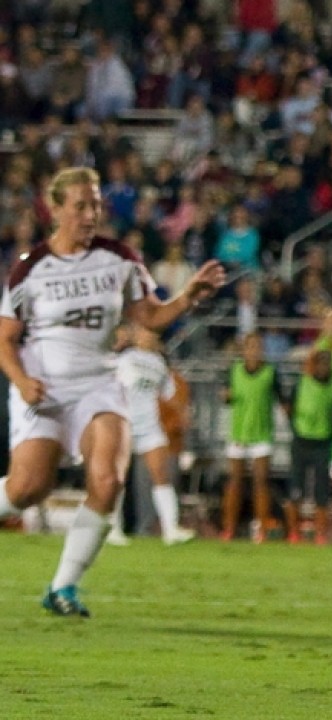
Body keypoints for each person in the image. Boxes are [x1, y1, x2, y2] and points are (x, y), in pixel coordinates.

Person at [0, 166, 223, 616]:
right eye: (81, 205)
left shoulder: (119, 258)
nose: (91, 214)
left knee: (108, 480)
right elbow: (4, 337)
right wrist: (22, 381)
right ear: (55, 209)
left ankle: (63, 588)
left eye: (96, 204)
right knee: (27, 489)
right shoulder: (31, 268)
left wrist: (187, 297)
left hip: (99, 383)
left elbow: (151, 317)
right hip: (44, 388)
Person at [114, 323, 196, 546]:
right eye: (144, 332)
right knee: (118, 477)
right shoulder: (125, 359)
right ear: (136, 335)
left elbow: (169, 393)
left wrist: (182, 412)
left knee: (161, 474)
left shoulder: (159, 363)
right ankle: (114, 528)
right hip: (125, 423)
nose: (148, 337)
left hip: (150, 425)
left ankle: (170, 529)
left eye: (152, 333)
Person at [221, 332, 282, 543]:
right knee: (235, 481)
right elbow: (226, 397)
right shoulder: (234, 371)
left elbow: (281, 399)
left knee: (261, 482)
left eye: (258, 347)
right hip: (239, 433)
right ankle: (229, 527)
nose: (254, 351)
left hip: (262, 434)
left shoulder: (271, 373)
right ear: (244, 350)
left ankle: (261, 527)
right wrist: (226, 396)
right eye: (250, 346)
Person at [283, 349, 332, 544]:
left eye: (327, 363)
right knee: (295, 488)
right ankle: (293, 532)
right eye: (320, 363)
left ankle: (320, 533)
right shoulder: (301, 384)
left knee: (321, 490)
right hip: (301, 441)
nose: (323, 368)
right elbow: (289, 408)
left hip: (323, 443)